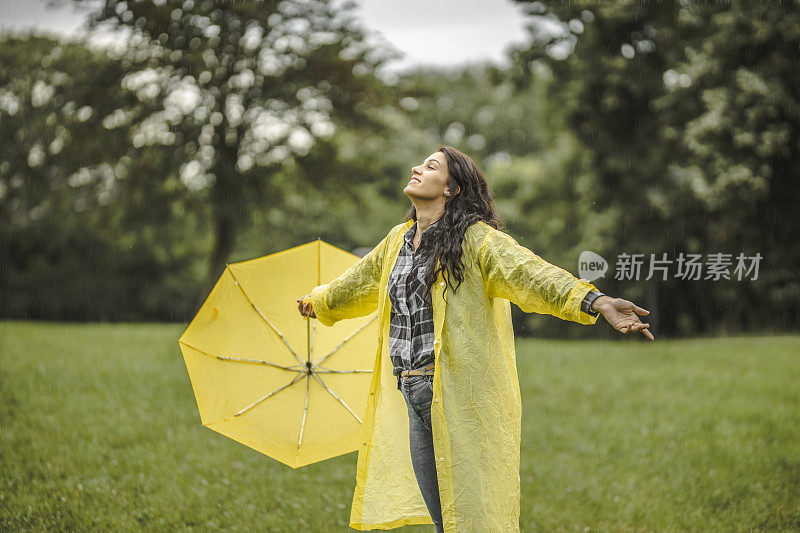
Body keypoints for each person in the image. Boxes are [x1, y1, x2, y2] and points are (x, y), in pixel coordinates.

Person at [296, 146, 654, 532]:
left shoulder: (476, 240)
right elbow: (360, 282)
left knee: (468, 518)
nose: (416, 167)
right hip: (412, 392)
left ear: (451, 188)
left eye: (431, 166)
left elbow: (531, 273)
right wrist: (320, 301)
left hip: (456, 394)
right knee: (444, 519)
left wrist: (595, 300)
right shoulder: (397, 240)